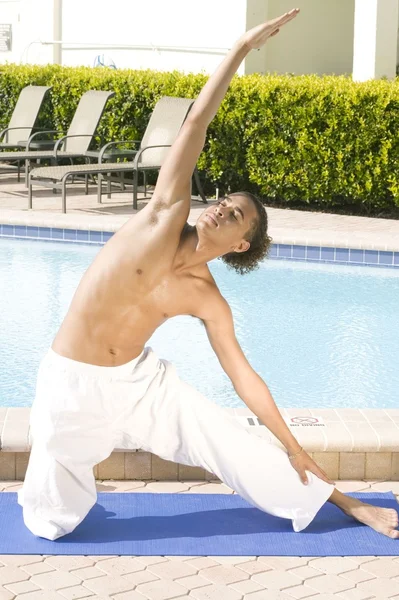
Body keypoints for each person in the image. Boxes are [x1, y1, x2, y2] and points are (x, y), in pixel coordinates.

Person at [18, 8, 398, 541]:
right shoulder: (161, 217)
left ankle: (343, 500)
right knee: (50, 521)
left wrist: (295, 446)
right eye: (223, 200)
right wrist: (240, 49)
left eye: (235, 213)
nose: (221, 208)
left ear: (240, 244)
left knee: (236, 443)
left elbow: (244, 378)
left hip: (139, 385)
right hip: (72, 383)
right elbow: (195, 123)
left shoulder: (207, 298)